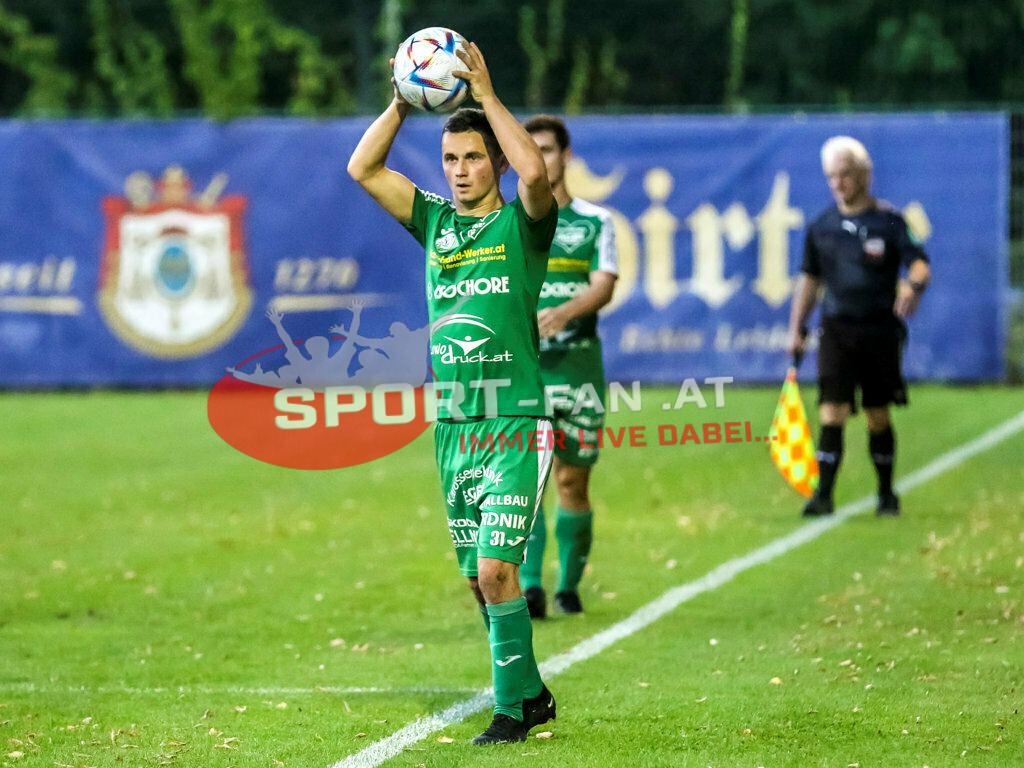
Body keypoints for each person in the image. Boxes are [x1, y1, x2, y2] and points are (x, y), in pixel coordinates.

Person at [347, 42, 557, 745]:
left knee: (502, 570)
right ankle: (531, 695)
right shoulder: (434, 223)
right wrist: (403, 103)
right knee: (480, 580)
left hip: (518, 422)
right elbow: (363, 168)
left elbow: (533, 173)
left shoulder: (522, 225)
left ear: (491, 160)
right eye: (451, 160)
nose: (462, 172)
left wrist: (490, 98)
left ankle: (507, 717)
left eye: (473, 158)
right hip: (456, 428)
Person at [787, 136, 931, 518]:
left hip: (880, 329)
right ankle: (823, 495)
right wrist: (796, 328)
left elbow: (919, 263)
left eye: (845, 175)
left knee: (876, 412)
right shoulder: (821, 227)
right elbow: (810, 281)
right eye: (832, 177)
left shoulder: (890, 222)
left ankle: (886, 492)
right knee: (831, 410)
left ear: (864, 175)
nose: (838, 184)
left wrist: (913, 286)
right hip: (836, 329)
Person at [520, 115, 618, 618]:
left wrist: (563, 312)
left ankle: (570, 587)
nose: (540, 158)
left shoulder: (595, 222)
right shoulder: (509, 223)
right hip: (526, 375)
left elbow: (604, 285)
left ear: (566, 156)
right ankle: (532, 587)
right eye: (530, 149)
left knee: (571, 482)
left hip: (579, 370)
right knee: (531, 481)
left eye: (548, 149)